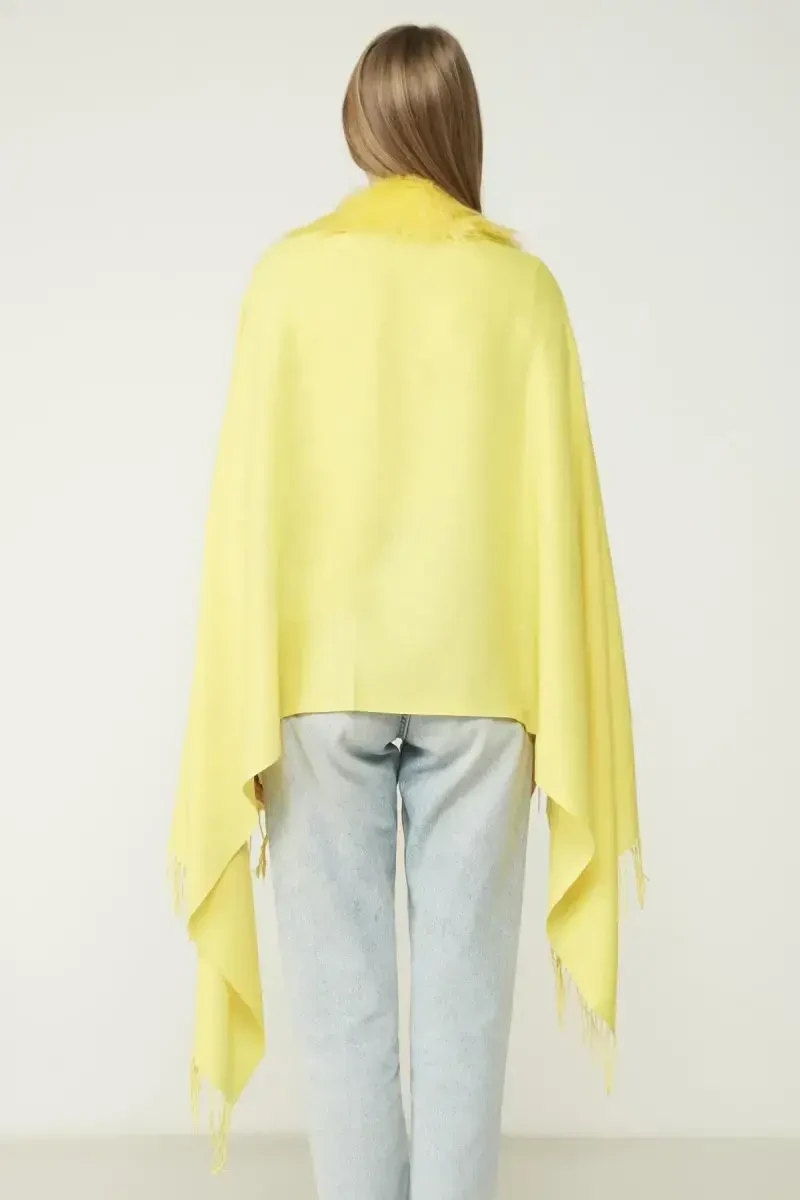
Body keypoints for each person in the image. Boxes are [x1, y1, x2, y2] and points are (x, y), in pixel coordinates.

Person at [170, 23, 643, 1200]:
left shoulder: (286, 280)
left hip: (315, 685)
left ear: (360, 123)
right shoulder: (523, 291)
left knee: (341, 1006)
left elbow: (249, 512)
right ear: (458, 124)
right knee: (465, 1005)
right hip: (483, 684)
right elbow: (560, 518)